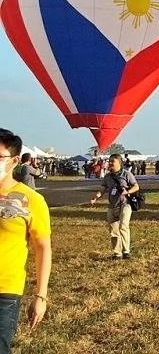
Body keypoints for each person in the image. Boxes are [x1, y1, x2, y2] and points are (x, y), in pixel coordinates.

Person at [0, 129, 52, 353]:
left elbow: (43, 248)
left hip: (5, 292)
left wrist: (40, 295)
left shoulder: (32, 200)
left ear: (14, 161)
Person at [90, 153, 140, 259]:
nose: (110, 163)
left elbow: (136, 187)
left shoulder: (127, 174)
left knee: (123, 227)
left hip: (125, 204)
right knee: (113, 230)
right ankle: (117, 253)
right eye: (109, 161)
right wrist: (96, 197)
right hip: (112, 206)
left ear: (119, 162)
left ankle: (126, 251)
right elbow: (103, 189)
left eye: (113, 161)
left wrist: (127, 192)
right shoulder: (108, 177)